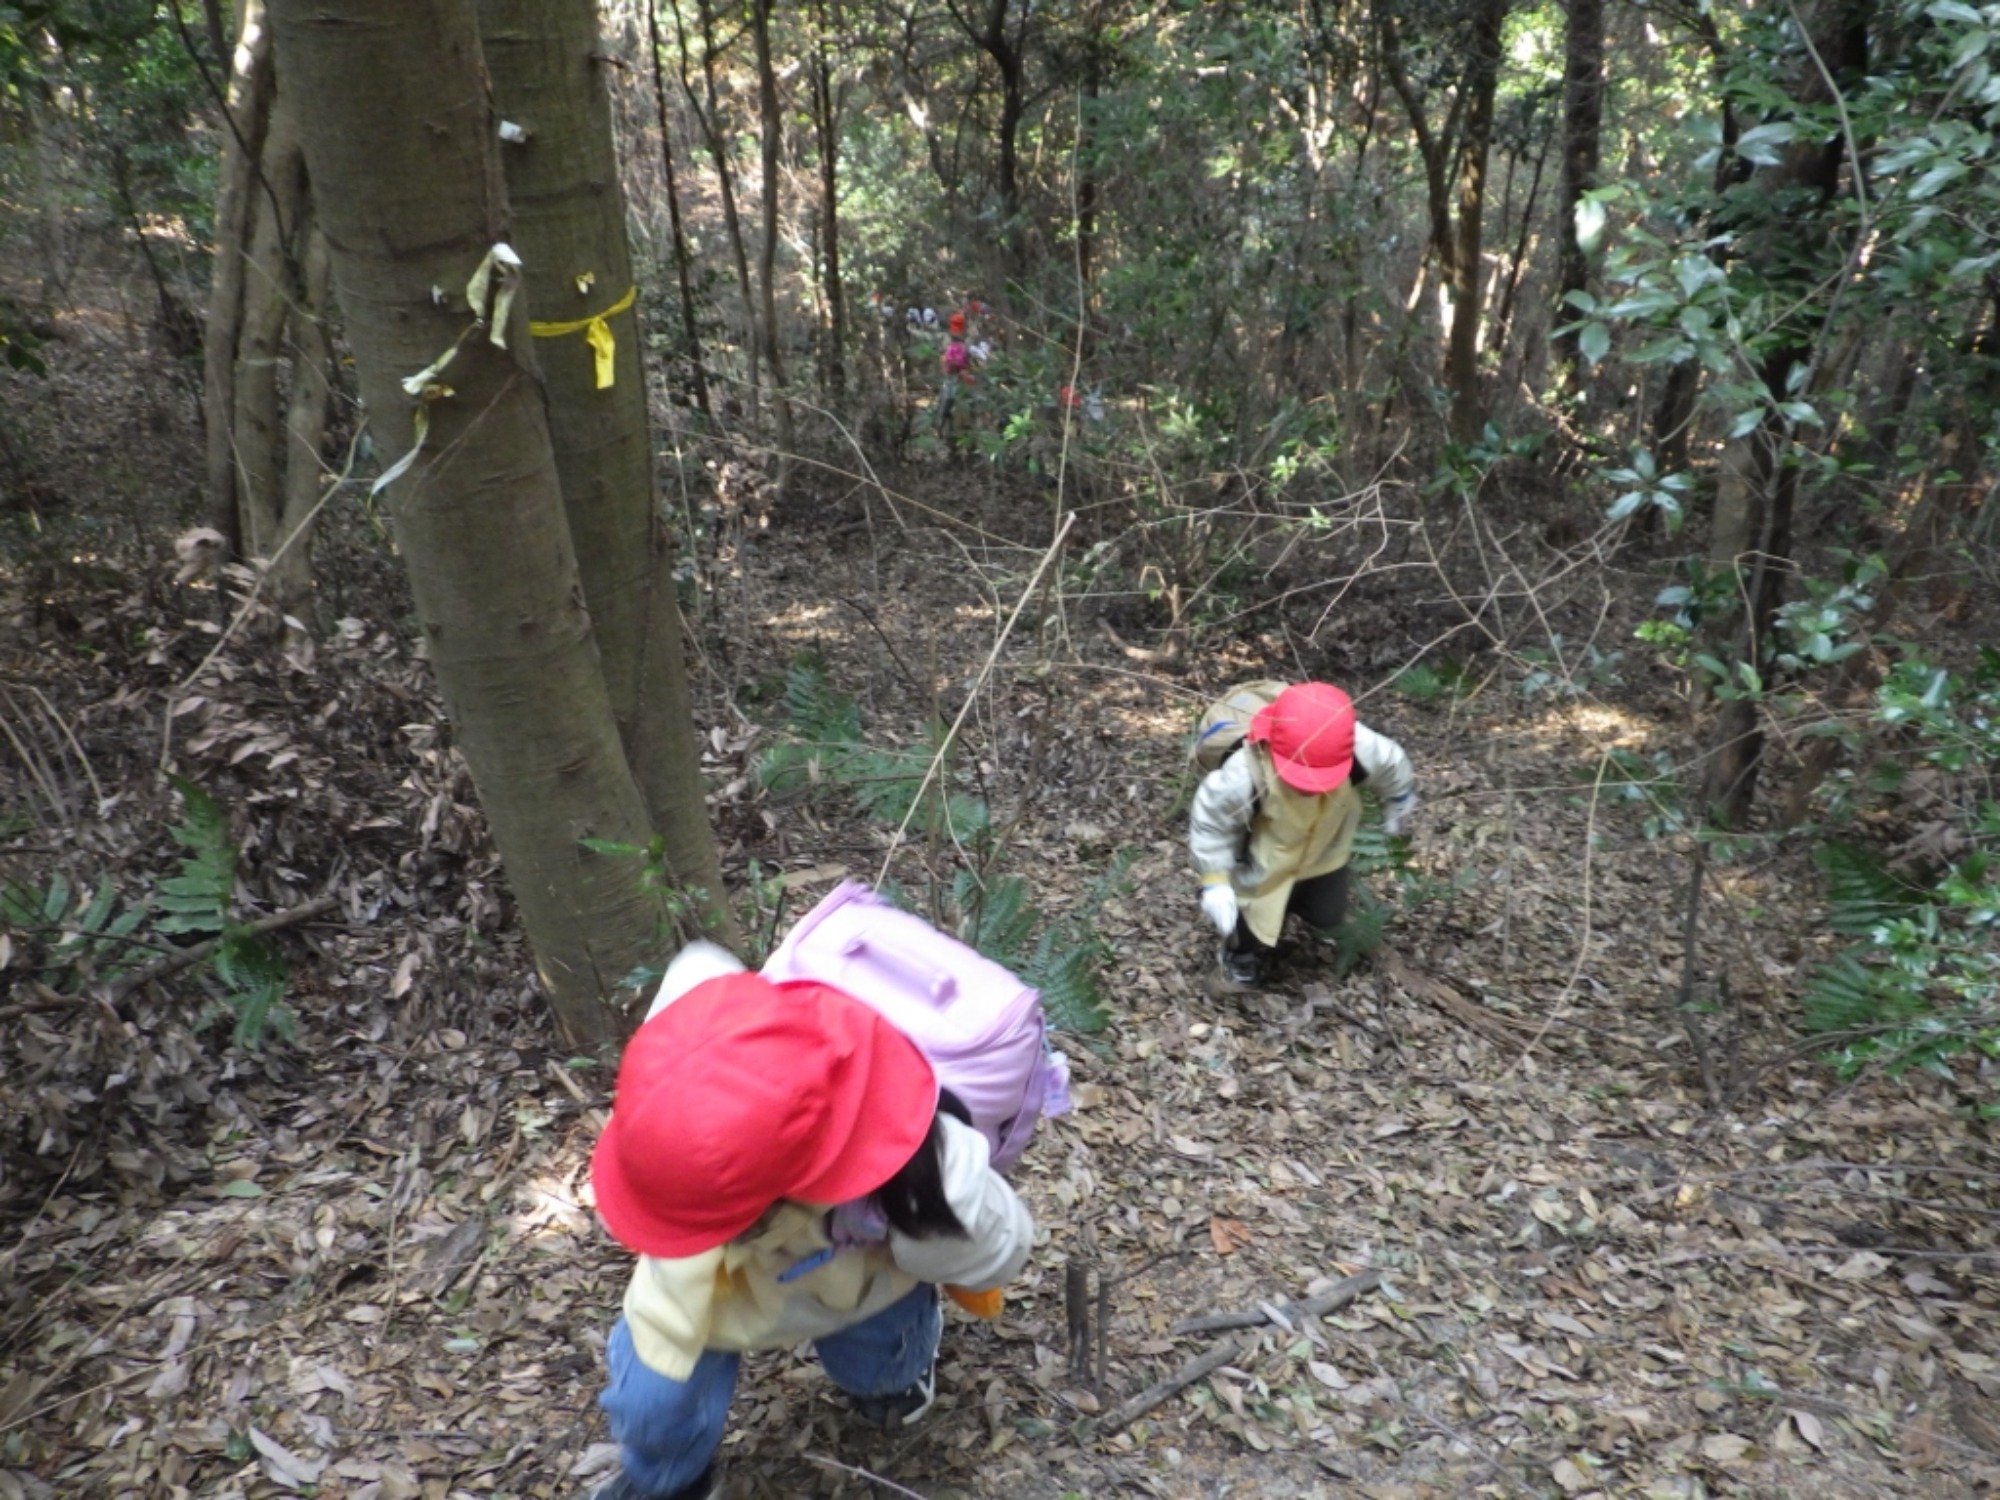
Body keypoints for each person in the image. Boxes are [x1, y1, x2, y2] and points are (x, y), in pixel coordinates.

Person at [584, 944, 1037, 1500]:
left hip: (856, 1282)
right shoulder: (691, 1054)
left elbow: (1001, 1242)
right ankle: (668, 1479)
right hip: (698, 1288)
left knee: (875, 1365)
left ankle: (893, 1375)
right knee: (653, 1404)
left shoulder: (929, 1176)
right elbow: (698, 971)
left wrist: (929, 1247)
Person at [1188, 681, 1418, 992]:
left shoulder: (1360, 746)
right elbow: (1211, 824)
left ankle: (1297, 907)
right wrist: (1215, 880)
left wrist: (1399, 799)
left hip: (1326, 844)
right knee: (1248, 915)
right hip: (1265, 854)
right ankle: (1239, 959)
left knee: (1327, 911)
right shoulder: (1243, 773)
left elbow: (1393, 763)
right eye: (1300, 776)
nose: (1310, 786)